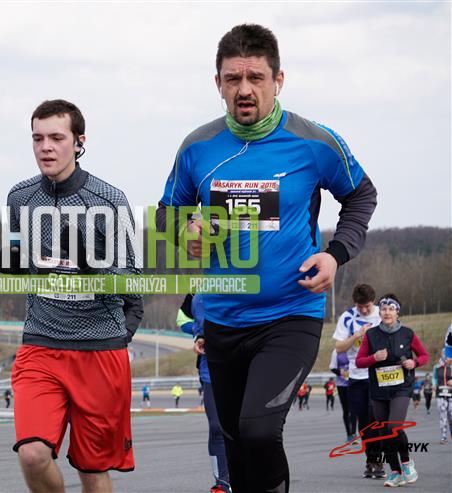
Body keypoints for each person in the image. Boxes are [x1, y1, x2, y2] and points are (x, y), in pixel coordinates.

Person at [157, 24, 377, 492]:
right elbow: (167, 214)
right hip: (222, 320)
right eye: (232, 79)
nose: (244, 89)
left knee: (258, 430)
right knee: (236, 444)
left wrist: (335, 255)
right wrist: (185, 232)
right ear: (217, 84)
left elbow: (361, 196)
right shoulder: (197, 147)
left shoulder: (314, 142)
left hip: (290, 314)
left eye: (255, 77)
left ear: (278, 80)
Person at [3, 99, 143, 493]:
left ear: (79, 142)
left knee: (92, 470)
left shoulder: (109, 199)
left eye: (56, 138)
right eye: (37, 138)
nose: (45, 147)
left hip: (98, 351)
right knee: (33, 454)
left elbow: (133, 281)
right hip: (41, 345)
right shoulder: (19, 197)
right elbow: (18, 258)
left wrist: (92, 267)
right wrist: (14, 261)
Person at [355, 294, 429, 487]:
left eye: (391, 309)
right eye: (383, 309)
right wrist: (374, 358)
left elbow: (424, 356)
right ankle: (395, 472)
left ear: (397, 312)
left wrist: (414, 363)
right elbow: (359, 361)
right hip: (379, 390)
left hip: (401, 388)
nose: (387, 312)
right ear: (379, 312)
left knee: (393, 427)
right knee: (383, 432)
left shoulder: (408, 333)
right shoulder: (371, 335)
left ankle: (406, 462)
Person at [179, 294, 231, 493]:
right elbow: (182, 319)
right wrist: (198, 334)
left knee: (247, 427)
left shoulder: (247, 281)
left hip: (244, 361)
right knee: (217, 427)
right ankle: (222, 483)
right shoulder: (196, 291)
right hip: (210, 368)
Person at [333, 283, 385, 479]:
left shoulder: (383, 313)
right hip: (356, 377)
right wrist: (356, 335)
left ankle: (378, 461)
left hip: (377, 375)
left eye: (367, 306)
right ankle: (370, 461)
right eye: (360, 306)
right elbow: (339, 348)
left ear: (374, 302)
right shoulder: (347, 317)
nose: (363, 310)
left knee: (375, 419)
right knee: (363, 423)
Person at [330, 349, 356, 442]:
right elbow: (332, 367)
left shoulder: (355, 348)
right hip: (342, 385)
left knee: (354, 409)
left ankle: (353, 433)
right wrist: (340, 372)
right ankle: (349, 434)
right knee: (346, 410)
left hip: (355, 382)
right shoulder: (336, 352)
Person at [435, 344, 452, 445]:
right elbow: (434, 378)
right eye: (445, 354)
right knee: (443, 416)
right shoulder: (437, 367)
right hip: (440, 395)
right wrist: (434, 385)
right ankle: (443, 437)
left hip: (451, 395)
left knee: (451, 416)